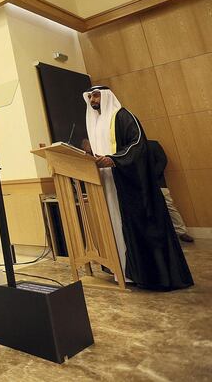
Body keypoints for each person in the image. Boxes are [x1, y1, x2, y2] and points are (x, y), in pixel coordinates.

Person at [84, 86, 193, 290]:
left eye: (96, 95)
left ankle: (146, 275)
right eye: (90, 96)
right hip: (106, 184)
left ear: (107, 96)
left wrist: (114, 160)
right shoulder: (95, 122)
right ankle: (121, 270)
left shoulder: (123, 116)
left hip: (130, 183)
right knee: (114, 224)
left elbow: (137, 145)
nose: (92, 99)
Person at [148, 140, 193, 243]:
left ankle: (181, 232)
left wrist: (152, 177)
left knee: (169, 206)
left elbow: (162, 160)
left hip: (158, 182)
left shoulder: (153, 144)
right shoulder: (131, 149)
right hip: (140, 186)